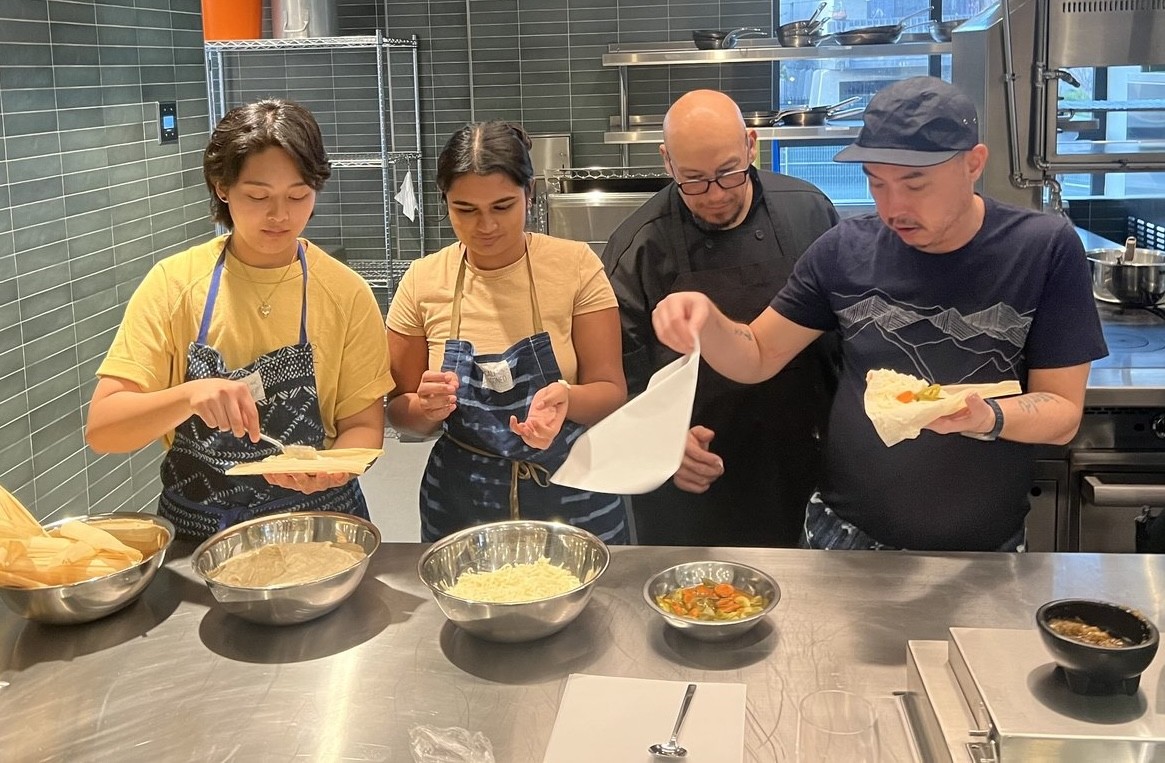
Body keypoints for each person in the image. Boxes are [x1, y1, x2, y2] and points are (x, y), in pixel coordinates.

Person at [651, 77, 1108, 552]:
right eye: (876, 182)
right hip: (841, 536)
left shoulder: (1042, 249)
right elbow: (759, 354)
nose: (893, 208)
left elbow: (1061, 413)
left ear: (973, 163)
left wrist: (983, 416)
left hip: (981, 550)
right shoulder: (844, 251)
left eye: (915, 183)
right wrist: (709, 320)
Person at [86, 99, 393, 541]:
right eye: (258, 195)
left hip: (320, 525)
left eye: (298, 195)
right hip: (198, 533)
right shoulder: (174, 285)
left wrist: (331, 469)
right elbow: (104, 429)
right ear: (221, 187)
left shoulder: (345, 293)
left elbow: (362, 426)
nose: (280, 215)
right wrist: (189, 396)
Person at [602, 89, 840, 547]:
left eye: (728, 173)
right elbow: (616, 380)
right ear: (666, 162)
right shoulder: (638, 247)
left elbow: (847, 339)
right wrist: (662, 442)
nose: (713, 194)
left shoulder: (809, 212)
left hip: (806, 461)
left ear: (752, 145)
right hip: (695, 479)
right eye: (692, 179)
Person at [386, 121, 631, 544]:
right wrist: (425, 409)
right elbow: (397, 410)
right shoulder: (422, 281)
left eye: (502, 207)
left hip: (573, 493)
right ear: (444, 201)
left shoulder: (575, 267)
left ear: (529, 194)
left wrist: (567, 399)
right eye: (466, 210)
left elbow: (610, 391)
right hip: (463, 500)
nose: (486, 226)